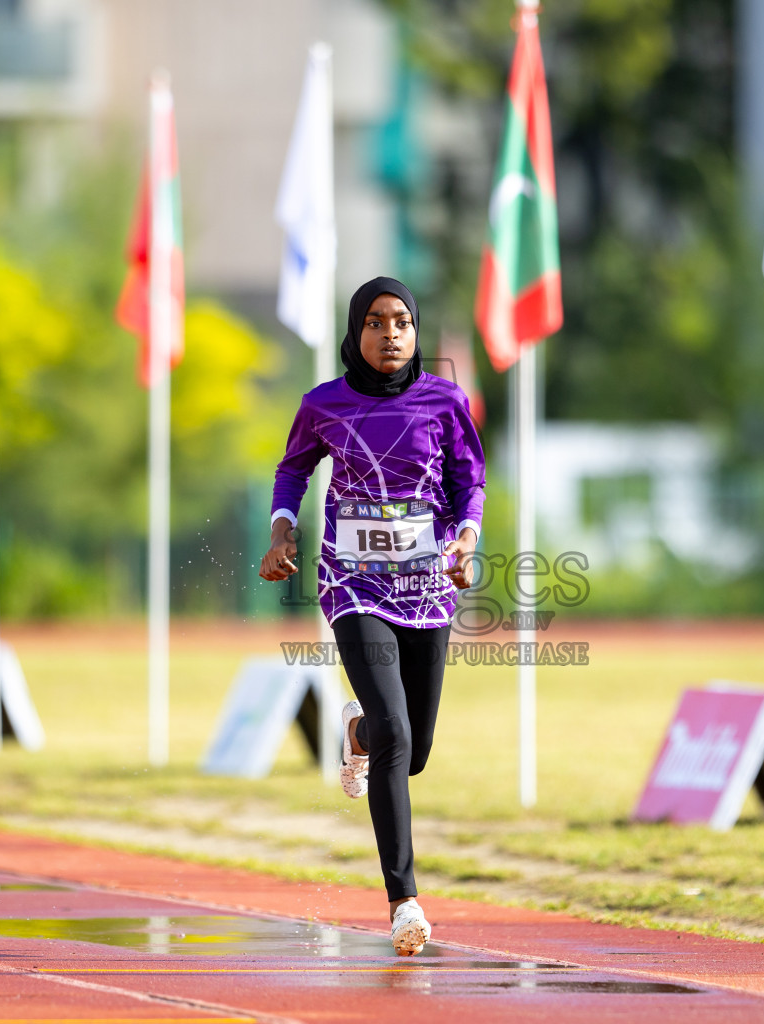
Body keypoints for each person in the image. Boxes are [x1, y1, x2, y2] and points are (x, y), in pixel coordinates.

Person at [259, 277, 484, 957]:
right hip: (351, 581)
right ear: (355, 331)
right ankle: (403, 902)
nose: (392, 334)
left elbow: (468, 479)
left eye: (404, 323)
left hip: (427, 586)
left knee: (412, 751)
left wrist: (466, 541)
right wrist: (281, 531)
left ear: (416, 333)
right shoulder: (322, 403)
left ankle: (356, 731)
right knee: (396, 729)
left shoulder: (444, 400)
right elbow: (292, 470)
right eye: (378, 322)